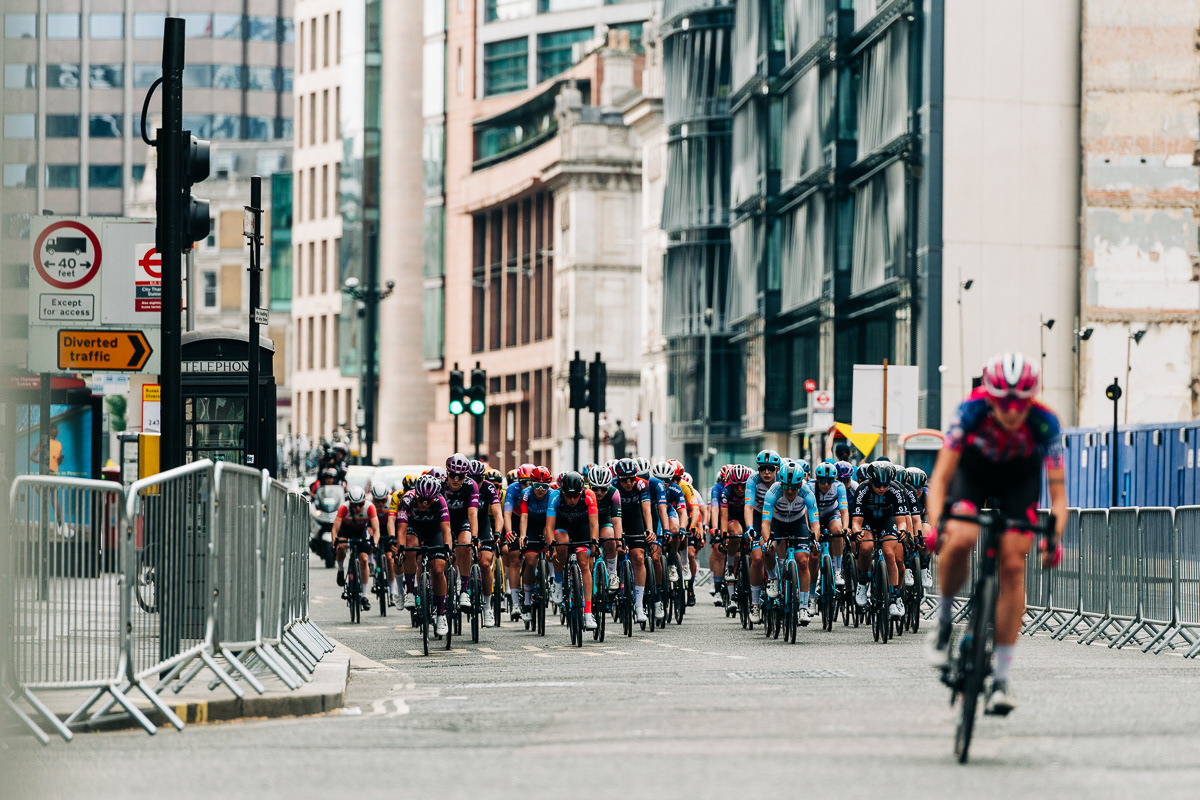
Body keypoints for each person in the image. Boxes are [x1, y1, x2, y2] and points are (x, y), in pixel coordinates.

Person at [925, 352, 1067, 716]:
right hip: (974, 474)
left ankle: (1002, 678)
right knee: (961, 538)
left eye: (1022, 402)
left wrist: (1053, 538)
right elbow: (940, 479)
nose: (1013, 411)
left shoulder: (1046, 422)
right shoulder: (970, 412)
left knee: (1014, 565)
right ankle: (943, 622)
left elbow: (1059, 497)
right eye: (1004, 402)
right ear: (989, 396)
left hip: (1019, 480)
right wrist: (937, 524)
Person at [760, 460, 820, 625]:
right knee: (766, 548)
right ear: (781, 483)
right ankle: (773, 578)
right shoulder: (773, 492)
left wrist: (815, 540)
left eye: (794, 487)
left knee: (803, 560)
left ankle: (803, 607)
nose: (790, 491)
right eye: (786, 487)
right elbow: (765, 523)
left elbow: (815, 523)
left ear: (800, 484)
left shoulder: (807, 492)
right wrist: (767, 541)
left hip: (797, 523)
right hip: (777, 523)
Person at [850, 462, 910, 621]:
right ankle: (862, 582)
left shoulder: (896, 489)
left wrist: (902, 530)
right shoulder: (862, 489)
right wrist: (857, 531)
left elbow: (902, 521)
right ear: (870, 481)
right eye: (878, 485)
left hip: (887, 520)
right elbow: (856, 521)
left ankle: (894, 599)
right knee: (866, 547)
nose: (882, 488)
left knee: (890, 554)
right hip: (868, 520)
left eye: (885, 485)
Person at [395, 476, 454, 636]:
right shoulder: (406, 500)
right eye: (422, 499)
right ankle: (410, 591)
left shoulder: (440, 501)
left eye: (429, 500)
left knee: (438, 569)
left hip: (434, 530)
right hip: (414, 528)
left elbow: (446, 529)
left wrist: (448, 549)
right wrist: (400, 550)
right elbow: (401, 530)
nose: (425, 503)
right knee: (409, 545)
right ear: (416, 495)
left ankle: (441, 614)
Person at [546, 471, 600, 630]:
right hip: (562, 526)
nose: (571, 500)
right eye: (568, 496)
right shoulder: (555, 496)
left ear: (581, 492)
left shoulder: (589, 495)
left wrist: (594, 544)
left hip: (582, 527)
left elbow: (594, 524)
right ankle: (557, 581)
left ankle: (588, 612)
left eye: (575, 496)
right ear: (562, 492)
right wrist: (551, 546)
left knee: (584, 564)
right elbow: (549, 526)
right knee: (561, 545)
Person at [332, 486, 377, 611]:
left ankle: (364, 596)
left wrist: (375, 542)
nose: (357, 508)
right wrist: (334, 544)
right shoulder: (343, 508)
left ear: (364, 502)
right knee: (341, 547)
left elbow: (376, 529)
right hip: (346, 530)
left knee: (364, 559)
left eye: (360, 504)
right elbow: (335, 529)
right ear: (350, 503)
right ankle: (341, 569)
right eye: (354, 505)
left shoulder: (370, 507)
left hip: (361, 531)